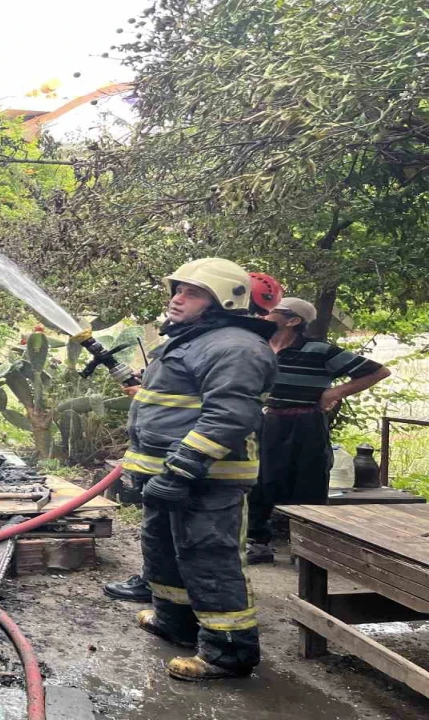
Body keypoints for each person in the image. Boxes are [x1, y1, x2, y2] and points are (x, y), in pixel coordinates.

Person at [117, 258, 276, 680]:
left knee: (209, 558)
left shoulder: (236, 347)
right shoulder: (192, 340)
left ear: (222, 300)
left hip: (206, 480)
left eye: (192, 292)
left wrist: (182, 470)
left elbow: (228, 417)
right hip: (168, 476)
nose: (177, 298)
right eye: (178, 288)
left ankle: (228, 653)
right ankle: (175, 623)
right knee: (164, 553)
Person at [245, 298, 391, 563]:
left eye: (271, 312)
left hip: (306, 424)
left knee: (308, 482)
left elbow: (379, 372)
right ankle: (257, 542)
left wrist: (335, 392)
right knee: (259, 480)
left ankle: (307, 550)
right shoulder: (258, 348)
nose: (264, 315)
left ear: (293, 321)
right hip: (265, 422)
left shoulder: (320, 350)